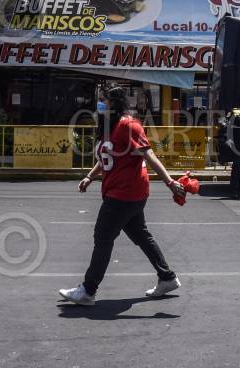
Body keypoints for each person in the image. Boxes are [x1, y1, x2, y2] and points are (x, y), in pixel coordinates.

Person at [59, 87, 186, 306]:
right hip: (123, 192)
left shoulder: (129, 125)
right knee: (140, 234)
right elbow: (108, 155)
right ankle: (167, 278)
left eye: (102, 100)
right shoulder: (111, 126)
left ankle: (88, 291)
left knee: (103, 238)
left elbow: (149, 154)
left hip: (124, 194)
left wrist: (170, 182)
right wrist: (90, 176)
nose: (99, 104)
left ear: (114, 103)